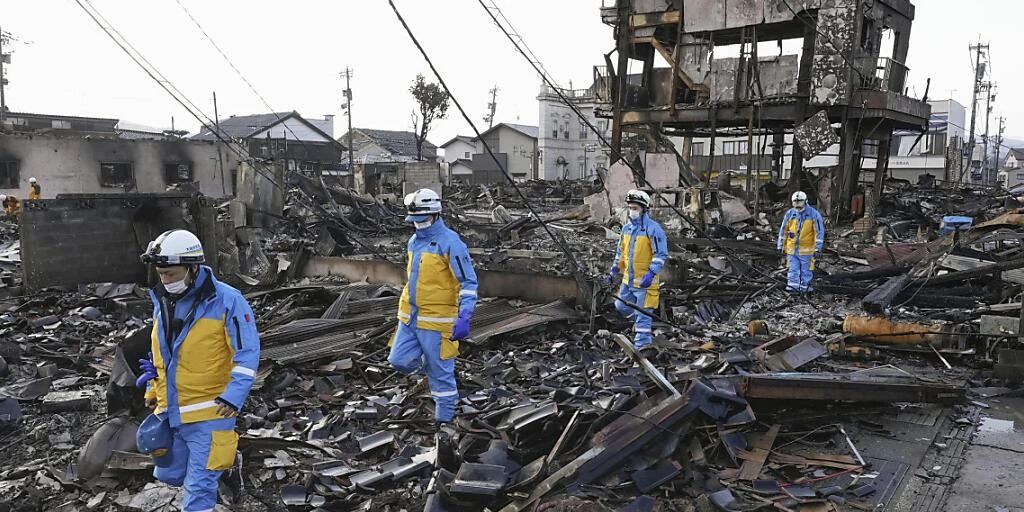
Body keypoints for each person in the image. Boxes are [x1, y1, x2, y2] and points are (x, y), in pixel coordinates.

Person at [134, 229, 260, 512]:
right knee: (171, 475)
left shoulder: (228, 301)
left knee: (198, 491)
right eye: (161, 273)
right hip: (173, 411)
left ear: (192, 268)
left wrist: (233, 396)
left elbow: (248, 352)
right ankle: (227, 469)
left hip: (212, 411)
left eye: (171, 273)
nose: (165, 280)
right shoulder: (163, 302)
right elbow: (164, 353)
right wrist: (154, 387)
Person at [388, 189, 477, 424]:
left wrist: (465, 314)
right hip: (409, 317)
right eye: (415, 221)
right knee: (398, 360)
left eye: (423, 220)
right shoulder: (413, 242)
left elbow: (468, 282)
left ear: (436, 215)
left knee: (442, 379)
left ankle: (443, 425)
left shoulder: (451, 243)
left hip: (437, 322)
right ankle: (428, 368)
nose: (419, 225)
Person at [609, 190, 668, 349]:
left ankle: (642, 347)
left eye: (635, 207)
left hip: (645, 283)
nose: (631, 211)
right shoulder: (626, 229)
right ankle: (640, 326)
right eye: (630, 207)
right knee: (620, 306)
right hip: (628, 281)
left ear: (644, 209)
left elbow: (661, 254)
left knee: (643, 317)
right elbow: (621, 252)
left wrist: (651, 273)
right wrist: (615, 269)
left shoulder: (654, 229)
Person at [777, 191, 825, 293]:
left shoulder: (814, 215)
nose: (798, 208)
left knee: (806, 272)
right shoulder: (790, 214)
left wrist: (818, 248)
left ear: (805, 202)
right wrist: (780, 246)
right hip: (792, 250)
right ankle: (793, 290)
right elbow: (783, 231)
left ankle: (805, 291)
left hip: (806, 251)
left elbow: (819, 233)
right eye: (795, 204)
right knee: (793, 270)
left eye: (799, 204)